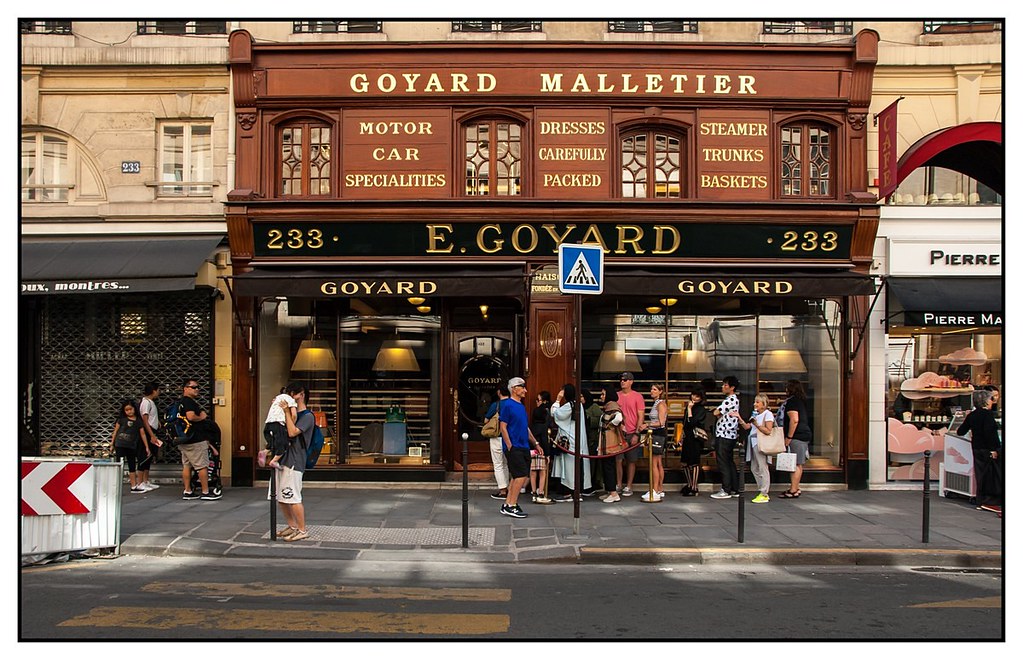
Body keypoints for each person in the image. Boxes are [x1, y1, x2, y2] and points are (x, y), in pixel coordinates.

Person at [273, 382, 315, 541]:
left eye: (292, 394)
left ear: (301, 394)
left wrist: (286, 411)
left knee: (293, 497)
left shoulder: (308, 416)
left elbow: (292, 432)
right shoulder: (292, 413)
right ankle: (292, 526)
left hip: (295, 460)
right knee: (281, 497)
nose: (289, 398)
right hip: (283, 458)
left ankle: (302, 530)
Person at [500, 377, 544, 518]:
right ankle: (512, 504)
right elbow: (503, 427)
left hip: (523, 445)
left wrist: (535, 443)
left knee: (517, 476)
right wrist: (509, 446)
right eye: (522, 387)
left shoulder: (521, 406)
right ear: (514, 389)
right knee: (520, 475)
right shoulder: (507, 405)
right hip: (515, 446)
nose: (525, 390)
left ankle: (508, 503)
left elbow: (525, 428)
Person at [958, 389, 1003, 515]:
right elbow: (990, 434)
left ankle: (980, 501)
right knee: (992, 475)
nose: (992, 401)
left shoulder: (972, 415)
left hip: (976, 447)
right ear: (985, 401)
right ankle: (989, 500)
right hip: (988, 449)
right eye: (990, 399)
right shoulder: (987, 415)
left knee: (980, 474)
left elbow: (960, 431)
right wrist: (994, 449)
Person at [178, 378, 222, 501]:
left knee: (187, 465)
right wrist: (201, 417)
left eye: (198, 387)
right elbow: (191, 417)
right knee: (202, 466)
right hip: (195, 439)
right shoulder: (189, 402)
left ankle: (187, 491)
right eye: (194, 387)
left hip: (184, 439)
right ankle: (205, 491)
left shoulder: (181, 402)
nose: (197, 389)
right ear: (185, 388)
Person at [550, 383, 591, 500]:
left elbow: (555, 413)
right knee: (577, 467)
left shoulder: (569, 405)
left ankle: (569, 492)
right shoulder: (578, 405)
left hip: (570, 441)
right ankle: (577, 492)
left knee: (568, 468)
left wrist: (558, 400)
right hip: (579, 440)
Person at [734, 393, 775, 503]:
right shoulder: (756, 414)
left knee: (762, 467)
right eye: (755, 401)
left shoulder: (768, 414)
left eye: (757, 402)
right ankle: (762, 490)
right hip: (753, 443)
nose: (755, 404)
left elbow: (768, 430)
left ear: (764, 404)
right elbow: (748, 427)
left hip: (761, 443)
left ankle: (764, 493)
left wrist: (756, 424)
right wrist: (739, 418)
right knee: (754, 468)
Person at [778, 380, 813, 498]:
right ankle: (795, 487)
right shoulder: (801, 401)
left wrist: (789, 437)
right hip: (803, 434)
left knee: (796, 463)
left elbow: (794, 420)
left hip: (797, 436)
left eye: (787, 388)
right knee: (798, 463)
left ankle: (793, 490)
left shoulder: (792, 402)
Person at [711, 376, 741, 499]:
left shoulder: (730, 399)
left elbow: (716, 412)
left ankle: (726, 489)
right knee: (729, 462)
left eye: (725, 385)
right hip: (730, 435)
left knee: (723, 462)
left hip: (724, 434)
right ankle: (735, 488)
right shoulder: (734, 400)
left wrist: (717, 412)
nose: (723, 387)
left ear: (732, 387)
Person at [615, 371, 646, 496]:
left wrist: (637, 434)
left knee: (631, 460)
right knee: (618, 460)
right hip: (618, 432)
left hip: (632, 431)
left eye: (626, 379)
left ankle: (629, 485)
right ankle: (618, 484)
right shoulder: (616, 396)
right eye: (621, 379)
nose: (623, 381)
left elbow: (641, 416)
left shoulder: (638, 396)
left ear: (631, 382)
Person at [638, 382, 668, 501]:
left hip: (658, 434)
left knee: (654, 463)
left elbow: (661, 422)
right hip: (657, 433)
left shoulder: (661, 404)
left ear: (660, 391)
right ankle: (659, 488)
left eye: (655, 389)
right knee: (658, 462)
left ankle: (655, 489)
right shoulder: (657, 403)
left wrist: (647, 425)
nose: (652, 391)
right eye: (651, 389)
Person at [111, 400, 148, 493]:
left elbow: (143, 434)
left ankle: (133, 485)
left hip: (131, 445)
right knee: (119, 464)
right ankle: (116, 485)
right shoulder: (121, 420)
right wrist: (112, 444)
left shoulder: (138, 421)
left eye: (130, 409)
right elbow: (115, 432)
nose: (129, 412)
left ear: (134, 409)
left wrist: (146, 446)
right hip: (120, 444)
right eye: (126, 410)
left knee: (132, 465)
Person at [679, 386, 709, 496]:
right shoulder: (688, 407)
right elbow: (685, 422)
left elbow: (693, 423)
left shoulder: (701, 410)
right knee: (685, 462)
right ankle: (689, 483)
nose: (694, 398)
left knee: (694, 462)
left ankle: (694, 486)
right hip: (687, 437)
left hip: (695, 438)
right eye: (693, 395)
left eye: (697, 396)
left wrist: (690, 410)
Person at [484, 386, 511, 501]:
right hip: (510, 438)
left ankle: (503, 490)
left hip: (497, 437)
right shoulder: (513, 404)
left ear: (499, 392)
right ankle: (509, 487)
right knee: (506, 463)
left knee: (498, 464)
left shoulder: (496, 405)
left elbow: (486, 420)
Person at [599, 388, 625, 503]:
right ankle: (610, 491)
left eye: (603, 394)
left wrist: (611, 424)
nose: (601, 396)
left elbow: (619, 418)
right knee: (607, 466)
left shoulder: (613, 407)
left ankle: (614, 493)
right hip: (606, 441)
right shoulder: (608, 408)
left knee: (609, 466)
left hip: (610, 441)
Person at [136, 381, 163, 492]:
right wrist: (151, 435)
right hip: (148, 432)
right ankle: (139, 482)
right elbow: (145, 420)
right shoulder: (146, 402)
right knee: (144, 456)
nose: (159, 392)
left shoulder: (150, 402)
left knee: (149, 457)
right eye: (158, 390)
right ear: (153, 390)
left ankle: (146, 481)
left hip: (152, 430)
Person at [263, 388, 298, 470]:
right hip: (278, 423)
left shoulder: (277, 399)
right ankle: (274, 461)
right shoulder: (290, 399)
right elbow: (294, 415)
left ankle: (265, 451)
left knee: (274, 441)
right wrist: (291, 425)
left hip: (268, 423)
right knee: (283, 443)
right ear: (292, 393)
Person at [529, 390, 553, 500]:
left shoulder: (532, 427)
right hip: (541, 450)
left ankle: (533, 492)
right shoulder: (544, 427)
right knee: (542, 472)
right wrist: (547, 454)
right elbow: (544, 439)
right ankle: (541, 492)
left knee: (533, 471)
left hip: (532, 450)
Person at [581, 389, 604, 494]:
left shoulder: (594, 407)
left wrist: (587, 418)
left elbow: (599, 420)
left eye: (582, 396)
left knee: (592, 464)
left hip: (592, 440)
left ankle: (592, 484)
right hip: (582, 439)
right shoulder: (579, 408)